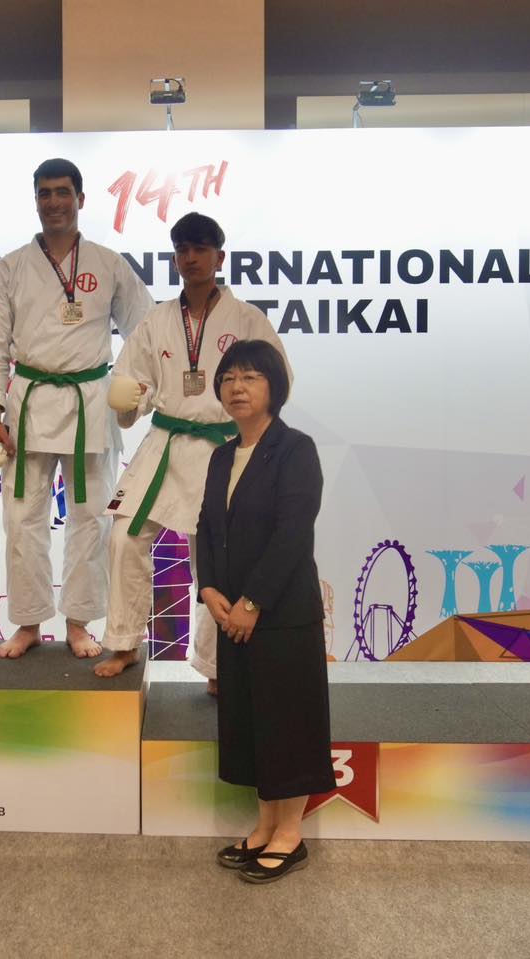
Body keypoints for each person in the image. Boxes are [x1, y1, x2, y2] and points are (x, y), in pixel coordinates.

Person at [0, 158, 155, 659]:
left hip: (89, 403)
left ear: (80, 199)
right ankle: (28, 622)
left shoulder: (108, 262)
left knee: (90, 519)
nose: (55, 201)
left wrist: (134, 390)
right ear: (36, 200)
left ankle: (79, 622)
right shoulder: (11, 267)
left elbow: (147, 330)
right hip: (27, 402)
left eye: (63, 192)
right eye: (46, 192)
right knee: (21, 518)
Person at [95, 213, 287, 686]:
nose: (191, 258)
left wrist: (250, 419)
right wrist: (129, 400)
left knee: (217, 558)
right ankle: (121, 641)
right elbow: (129, 381)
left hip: (223, 445)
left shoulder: (246, 320)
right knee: (123, 537)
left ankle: (217, 665)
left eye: (201, 248)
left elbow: (277, 378)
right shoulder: (157, 321)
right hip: (166, 441)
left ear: (219, 257)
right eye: (183, 249)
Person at [195, 338, 332, 883]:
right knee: (253, 723)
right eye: (229, 377)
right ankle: (264, 825)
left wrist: (253, 602)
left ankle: (290, 835)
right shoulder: (221, 454)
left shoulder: (296, 449)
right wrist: (209, 591)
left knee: (287, 723)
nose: (237, 387)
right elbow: (206, 527)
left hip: (281, 615)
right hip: (231, 615)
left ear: (274, 386)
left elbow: (292, 534)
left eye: (250, 377)